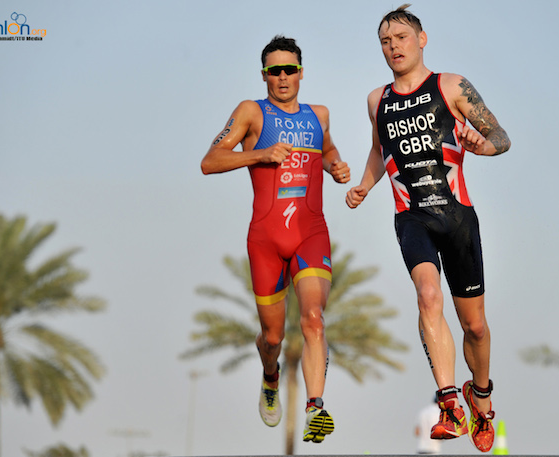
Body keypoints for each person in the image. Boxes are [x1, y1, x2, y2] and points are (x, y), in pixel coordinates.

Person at [345, 4, 511, 453]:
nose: (393, 46)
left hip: (457, 217)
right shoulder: (376, 100)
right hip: (411, 216)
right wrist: (364, 184)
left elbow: (500, 136)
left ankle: (481, 397)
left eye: (400, 37)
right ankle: (449, 402)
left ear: (421, 39)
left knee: (474, 327)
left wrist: (482, 145)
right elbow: (381, 151)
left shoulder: (452, 85)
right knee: (427, 295)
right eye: (385, 41)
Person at [201, 35, 350, 444]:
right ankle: (270, 377)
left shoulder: (318, 115)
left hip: (310, 234)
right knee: (272, 337)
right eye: (274, 70)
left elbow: (329, 150)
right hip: (266, 239)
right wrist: (259, 155)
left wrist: (336, 167)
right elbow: (210, 161)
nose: (282, 77)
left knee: (313, 318)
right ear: (264, 75)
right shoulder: (251, 112)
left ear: (301, 72)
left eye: (290, 69)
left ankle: (315, 409)